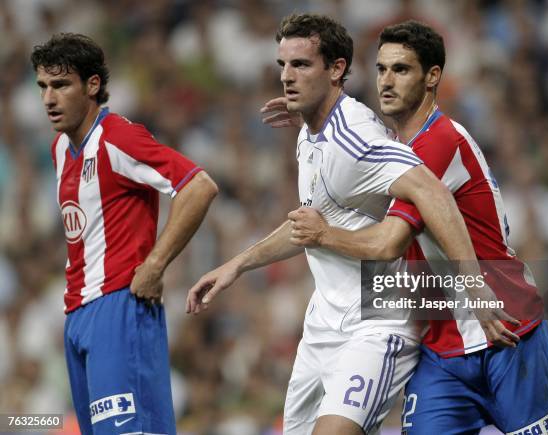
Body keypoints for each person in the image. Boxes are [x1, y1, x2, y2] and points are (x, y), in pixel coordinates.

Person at [187, 14, 516, 435]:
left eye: (301, 65)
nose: (287, 76)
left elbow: (431, 192)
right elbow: (307, 226)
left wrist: (476, 286)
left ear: (337, 69)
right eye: (282, 65)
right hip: (323, 321)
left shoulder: (356, 138)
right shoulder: (310, 136)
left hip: (378, 322)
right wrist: (236, 265)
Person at [285, 21, 548, 435]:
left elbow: (388, 243)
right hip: (442, 348)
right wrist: (311, 117)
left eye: (401, 70)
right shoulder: (395, 148)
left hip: (504, 329)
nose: (386, 81)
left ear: (432, 77)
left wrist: (321, 234)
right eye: (382, 69)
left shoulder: (437, 142)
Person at [31, 33, 218, 435]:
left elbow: (198, 186)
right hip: (77, 317)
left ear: (92, 85)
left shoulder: (118, 137)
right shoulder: (60, 149)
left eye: (61, 85)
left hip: (119, 308)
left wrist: (155, 263)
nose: (48, 98)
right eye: (43, 86)